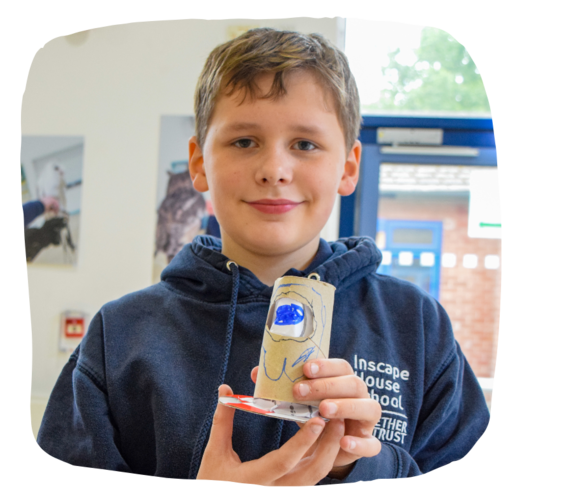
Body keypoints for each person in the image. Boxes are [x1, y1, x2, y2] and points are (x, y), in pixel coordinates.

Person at [36, 28, 491, 484]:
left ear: (348, 167)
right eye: (244, 142)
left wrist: (357, 462)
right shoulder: (119, 336)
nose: (274, 170)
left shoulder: (415, 325)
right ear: (198, 163)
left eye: (305, 145)